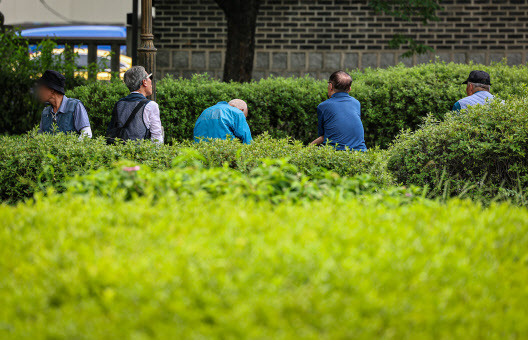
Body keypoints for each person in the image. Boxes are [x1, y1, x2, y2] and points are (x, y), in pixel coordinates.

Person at [310, 70, 367, 151]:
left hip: (336, 155)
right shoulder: (356, 103)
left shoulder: (323, 106)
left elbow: (323, 135)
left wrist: (307, 148)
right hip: (361, 153)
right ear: (350, 89)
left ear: (330, 86)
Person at [107, 66, 163, 143]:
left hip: (120, 151)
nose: (151, 81)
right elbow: (156, 138)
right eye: (150, 77)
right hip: (141, 153)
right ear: (144, 82)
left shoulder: (119, 104)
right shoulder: (150, 106)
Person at [37, 70, 92, 138]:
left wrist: (72, 148)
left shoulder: (75, 106)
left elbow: (87, 133)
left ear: (52, 90)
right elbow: (40, 138)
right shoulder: (45, 112)